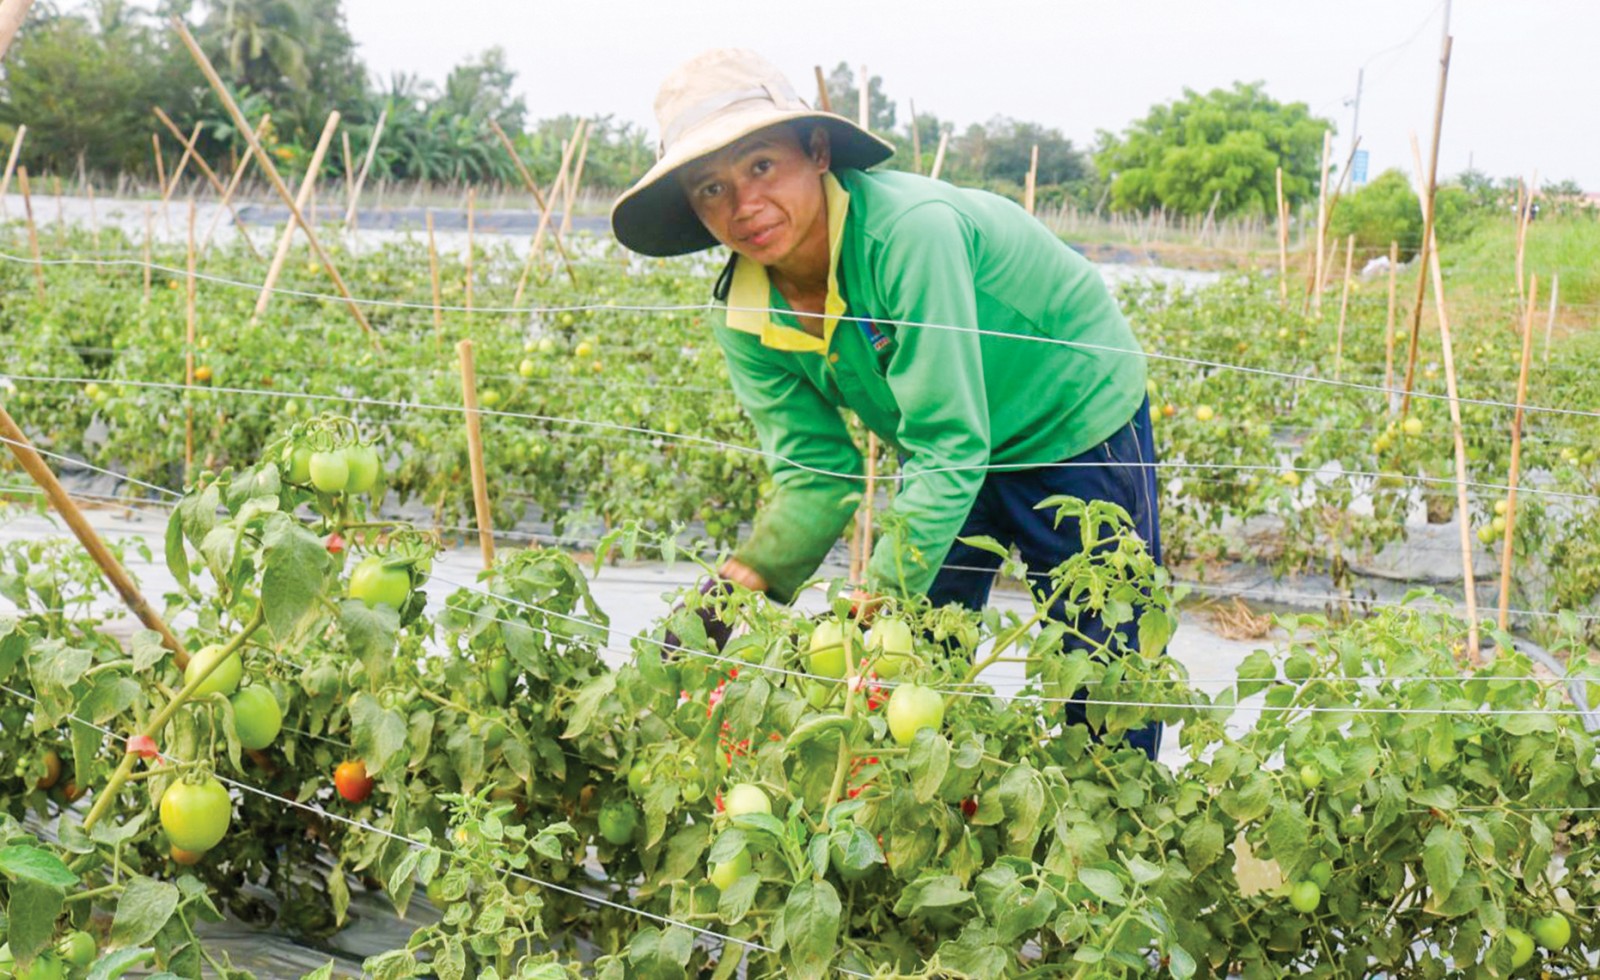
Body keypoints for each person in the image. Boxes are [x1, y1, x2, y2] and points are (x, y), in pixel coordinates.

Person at [611, 49, 1163, 759]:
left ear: (816, 152)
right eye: (711, 188)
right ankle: (940, 815)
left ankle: (1115, 816)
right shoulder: (744, 313)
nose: (743, 205)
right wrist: (738, 587)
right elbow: (816, 470)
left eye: (760, 166)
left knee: (1099, 649)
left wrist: (875, 596)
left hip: (1071, 412)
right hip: (945, 445)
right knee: (914, 659)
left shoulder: (910, 234)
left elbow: (949, 442)